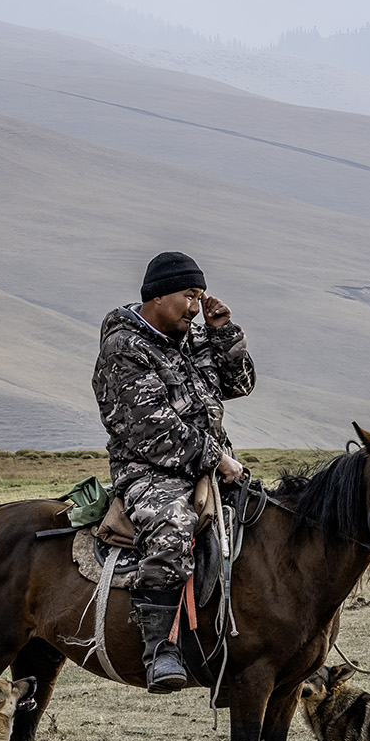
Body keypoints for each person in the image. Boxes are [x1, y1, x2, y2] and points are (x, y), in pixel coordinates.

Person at [92, 251, 255, 693]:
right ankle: (160, 649)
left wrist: (223, 333)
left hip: (210, 465)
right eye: (189, 296)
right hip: (149, 471)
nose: (195, 307)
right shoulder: (123, 349)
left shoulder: (191, 339)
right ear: (158, 296)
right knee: (172, 528)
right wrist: (217, 459)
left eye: (200, 296)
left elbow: (239, 384)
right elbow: (154, 430)